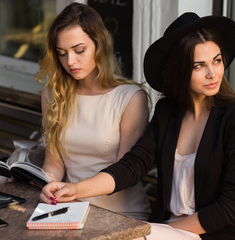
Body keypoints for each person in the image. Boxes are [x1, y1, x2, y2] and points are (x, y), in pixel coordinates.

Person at [41, 12, 235, 240]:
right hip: (165, 229)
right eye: (199, 66)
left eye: (216, 61)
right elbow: (132, 165)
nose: (212, 73)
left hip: (212, 234)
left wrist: (162, 231)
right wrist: (75, 189)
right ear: (179, 69)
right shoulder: (168, 111)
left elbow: (231, 207)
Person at [36, 2, 150, 220]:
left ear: (99, 45)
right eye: (62, 53)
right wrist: (48, 185)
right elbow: (54, 163)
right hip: (69, 209)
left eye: (79, 50)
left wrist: (75, 189)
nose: (70, 61)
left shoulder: (129, 97)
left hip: (121, 212)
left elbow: (125, 171)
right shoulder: (53, 95)